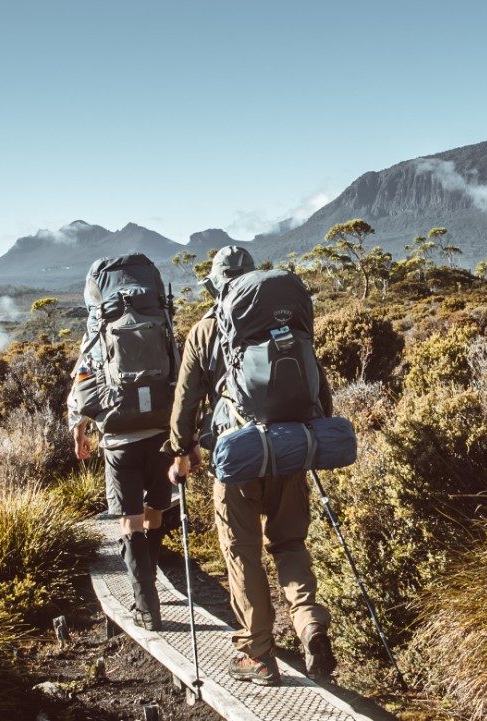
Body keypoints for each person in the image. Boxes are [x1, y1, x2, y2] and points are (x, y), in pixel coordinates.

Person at [167, 246, 336, 686]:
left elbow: (184, 402)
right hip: (289, 450)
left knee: (243, 555)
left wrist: (181, 451)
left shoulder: (205, 331)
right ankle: (310, 623)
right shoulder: (284, 319)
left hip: (237, 458)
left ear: (216, 283)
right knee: (290, 543)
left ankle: (255, 654)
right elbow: (319, 387)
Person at [67, 263, 176, 632]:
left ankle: (146, 605)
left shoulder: (98, 328)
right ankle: (151, 581)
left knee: (130, 520)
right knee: (156, 511)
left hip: (118, 441)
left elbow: (82, 384)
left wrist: (79, 428)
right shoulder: (161, 321)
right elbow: (179, 371)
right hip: (161, 434)